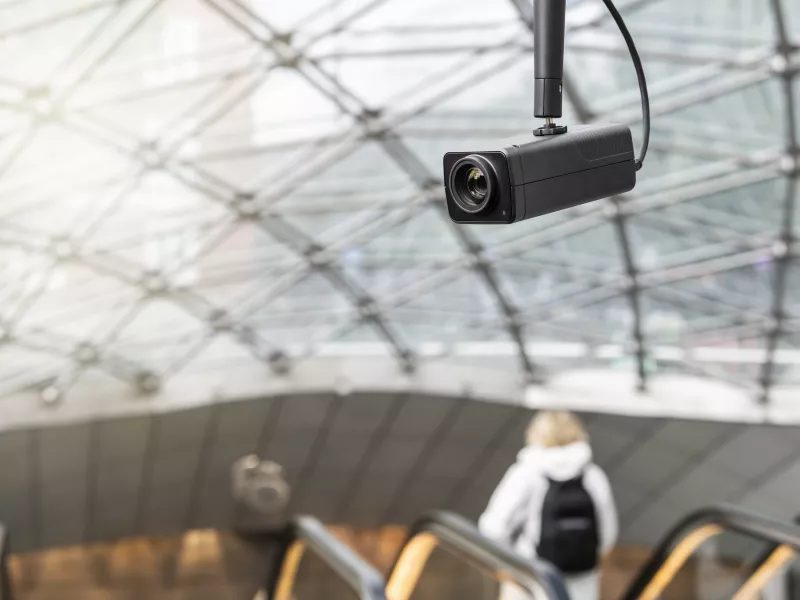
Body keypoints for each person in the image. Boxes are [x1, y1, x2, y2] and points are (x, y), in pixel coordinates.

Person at [478, 410, 618, 600]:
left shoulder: (526, 472)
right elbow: (608, 534)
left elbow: (495, 528)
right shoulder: (593, 476)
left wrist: (509, 561)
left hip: (531, 575)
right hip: (582, 579)